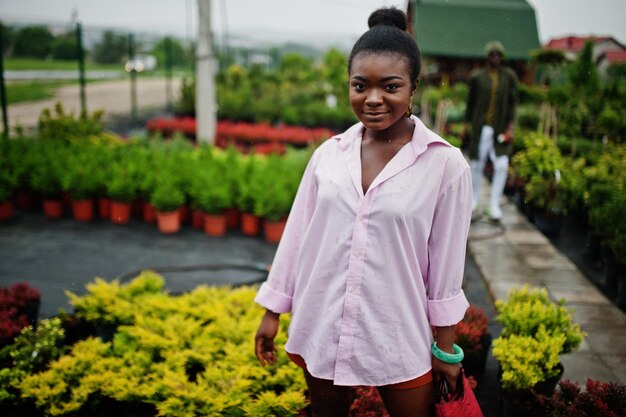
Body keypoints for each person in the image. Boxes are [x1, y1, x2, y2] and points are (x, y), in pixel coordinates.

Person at [254, 7, 472, 417]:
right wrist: (272, 312)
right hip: (323, 319)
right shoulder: (328, 155)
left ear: (413, 88)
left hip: (398, 328)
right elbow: (298, 237)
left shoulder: (445, 164)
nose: (373, 99)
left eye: (390, 86)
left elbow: (446, 268)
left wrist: (445, 349)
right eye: (360, 86)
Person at [464, 41, 518, 221]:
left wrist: (511, 127)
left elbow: (513, 104)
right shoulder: (477, 77)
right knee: (477, 165)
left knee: (501, 164)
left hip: (500, 129)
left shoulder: (508, 77)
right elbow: (470, 104)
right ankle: (474, 199)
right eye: (492, 54)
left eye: (499, 54)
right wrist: (466, 125)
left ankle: (494, 204)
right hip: (481, 129)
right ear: (487, 56)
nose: (496, 57)